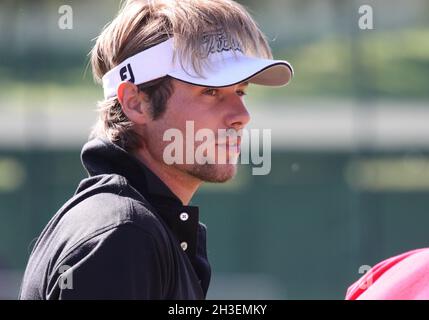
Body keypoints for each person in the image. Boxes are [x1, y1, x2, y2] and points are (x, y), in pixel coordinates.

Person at [19, 0, 293, 299]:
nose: (241, 115)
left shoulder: (136, 228)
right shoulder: (123, 236)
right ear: (136, 102)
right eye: (211, 91)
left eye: (240, 91)